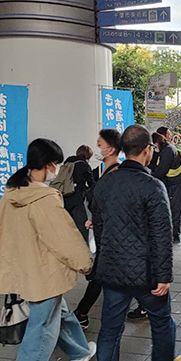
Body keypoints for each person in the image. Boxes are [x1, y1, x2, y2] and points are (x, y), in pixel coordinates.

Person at [0, 138, 96, 361]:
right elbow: (63, 238)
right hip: (44, 274)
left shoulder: (12, 193)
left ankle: (80, 353)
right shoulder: (45, 197)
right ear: (49, 165)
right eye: (55, 165)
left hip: (23, 272)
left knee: (59, 313)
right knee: (41, 330)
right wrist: (86, 263)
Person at [90, 126, 181, 361]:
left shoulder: (105, 182)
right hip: (145, 274)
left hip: (113, 271)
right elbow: (162, 235)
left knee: (109, 331)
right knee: (162, 321)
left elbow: (99, 228)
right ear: (147, 150)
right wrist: (164, 276)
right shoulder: (152, 185)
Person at [74, 128, 122, 328]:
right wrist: (95, 217)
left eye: (100, 143)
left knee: (102, 275)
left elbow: (115, 204)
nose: (97, 146)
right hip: (104, 232)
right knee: (105, 276)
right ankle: (83, 313)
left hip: (112, 234)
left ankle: (82, 313)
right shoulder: (104, 170)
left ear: (111, 149)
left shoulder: (117, 173)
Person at [150, 127, 181, 243]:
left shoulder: (168, 150)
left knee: (175, 210)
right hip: (171, 183)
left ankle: (174, 235)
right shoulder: (160, 150)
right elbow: (153, 166)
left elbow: (160, 171)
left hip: (178, 184)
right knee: (169, 209)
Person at [61, 145, 96, 242]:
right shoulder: (84, 166)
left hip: (63, 199)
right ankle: (84, 253)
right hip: (76, 200)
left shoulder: (67, 162)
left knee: (66, 228)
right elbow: (92, 184)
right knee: (83, 228)